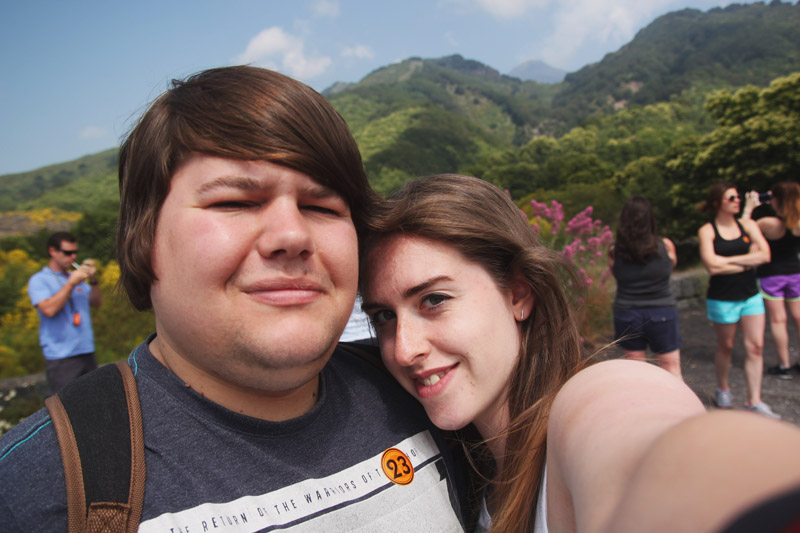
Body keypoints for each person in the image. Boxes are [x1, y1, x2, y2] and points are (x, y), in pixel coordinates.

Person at [0, 66, 465, 531]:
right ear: (144, 240)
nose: (292, 235)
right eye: (234, 203)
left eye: (322, 207)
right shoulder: (37, 491)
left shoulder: (425, 393)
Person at [360, 174, 800, 532]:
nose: (403, 349)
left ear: (518, 293)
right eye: (383, 317)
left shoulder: (591, 400)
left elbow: (645, 440)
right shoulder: (463, 466)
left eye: (433, 300)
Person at [697, 182, 778, 418]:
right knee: (727, 346)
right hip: (722, 298)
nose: (737, 201)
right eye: (731, 198)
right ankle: (723, 388)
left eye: (737, 197)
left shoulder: (748, 225)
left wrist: (727, 262)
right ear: (717, 203)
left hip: (750, 295)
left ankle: (754, 400)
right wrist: (746, 260)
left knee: (756, 347)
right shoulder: (708, 230)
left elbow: (765, 255)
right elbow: (711, 265)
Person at [609, 196, 682, 379]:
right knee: (670, 366)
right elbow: (670, 268)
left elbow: (615, 274)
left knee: (637, 370)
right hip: (662, 311)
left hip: (627, 313)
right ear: (650, 219)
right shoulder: (665, 246)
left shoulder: (614, 251)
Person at [27, 231, 102, 394]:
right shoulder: (39, 280)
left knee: (93, 404)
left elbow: (96, 303)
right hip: (62, 356)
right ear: (53, 251)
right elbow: (48, 310)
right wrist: (70, 284)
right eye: (68, 253)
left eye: (75, 252)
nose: (73, 257)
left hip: (86, 351)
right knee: (65, 409)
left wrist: (94, 280)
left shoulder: (77, 278)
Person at [741, 183, 800, 379]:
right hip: (795, 274)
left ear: (777, 200)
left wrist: (749, 208)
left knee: (778, 321)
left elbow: (743, 230)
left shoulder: (768, 224)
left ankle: (784, 365)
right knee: (799, 318)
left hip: (770, 275)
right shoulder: (797, 223)